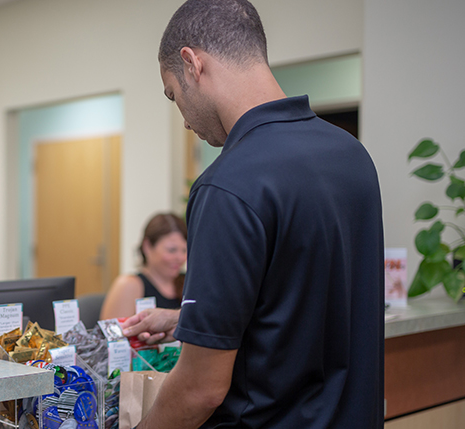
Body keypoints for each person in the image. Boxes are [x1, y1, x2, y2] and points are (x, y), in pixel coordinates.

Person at [121, 1, 385, 427]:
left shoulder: (228, 184)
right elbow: (306, 301)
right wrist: (192, 320)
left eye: (173, 95)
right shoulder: (352, 156)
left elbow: (200, 388)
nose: (184, 120)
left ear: (192, 64)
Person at [99, 213, 187, 320]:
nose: (181, 257)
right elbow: (113, 335)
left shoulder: (188, 283)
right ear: (147, 247)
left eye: (184, 250)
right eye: (171, 250)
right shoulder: (129, 285)